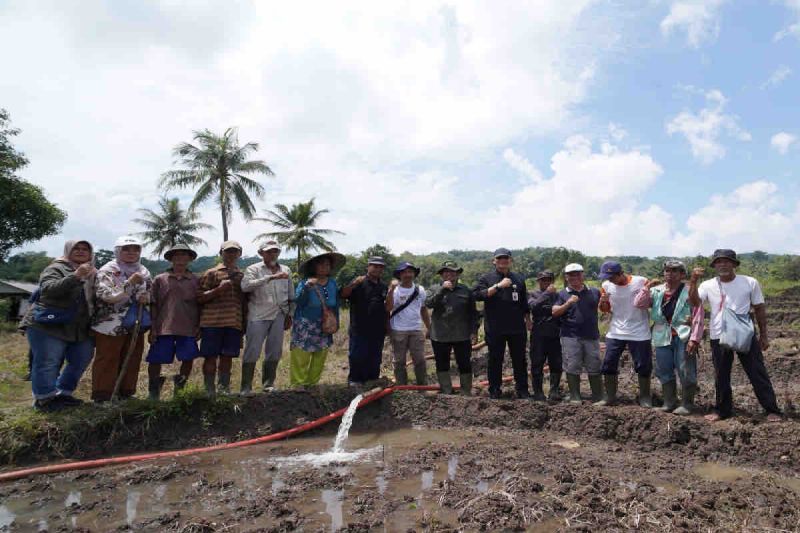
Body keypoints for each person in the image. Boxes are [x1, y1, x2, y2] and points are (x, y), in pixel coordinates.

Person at [688, 249, 782, 422]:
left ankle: (771, 409)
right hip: (718, 335)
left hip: (745, 334)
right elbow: (694, 302)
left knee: (757, 372)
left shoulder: (749, 282)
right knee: (721, 374)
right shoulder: (707, 285)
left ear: (734, 264)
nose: (722, 264)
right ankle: (722, 410)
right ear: (714, 265)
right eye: (718, 262)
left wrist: (763, 335)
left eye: (726, 261)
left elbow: (759, 308)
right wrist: (693, 281)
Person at [26, 240, 96, 411]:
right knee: (48, 362)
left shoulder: (94, 272)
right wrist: (76, 276)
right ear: (68, 251)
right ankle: (45, 399)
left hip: (79, 327)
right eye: (76, 248)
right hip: (49, 325)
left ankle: (63, 393)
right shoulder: (56, 268)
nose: (80, 251)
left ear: (91, 253)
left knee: (82, 358)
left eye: (85, 249)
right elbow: (48, 289)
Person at [634, 260, 704, 414]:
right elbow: (639, 303)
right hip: (662, 335)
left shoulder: (689, 290)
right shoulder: (657, 291)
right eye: (667, 271)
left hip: (683, 336)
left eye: (675, 271)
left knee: (685, 370)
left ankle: (687, 404)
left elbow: (698, 313)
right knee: (663, 369)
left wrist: (695, 338)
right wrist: (647, 287)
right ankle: (669, 402)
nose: (670, 274)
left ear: (682, 274)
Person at [92, 236, 151, 402]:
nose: (132, 252)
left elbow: (150, 290)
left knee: (132, 356)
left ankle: (126, 393)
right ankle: (103, 396)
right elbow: (106, 295)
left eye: (136, 249)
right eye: (126, 249)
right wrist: (129, 283)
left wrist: (146, 297)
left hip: (135, 321)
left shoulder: (144, 270)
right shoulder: (108, 270)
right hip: (110, 323)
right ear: (118, 251)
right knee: (108, 358)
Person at [473, 248, 531, 399]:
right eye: (499, 259)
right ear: (494, 261)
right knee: (495, 359)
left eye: (506, 258)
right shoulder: (486, 278)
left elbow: (524, 302)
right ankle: (494, 390)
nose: (503, 261)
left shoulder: (518, 278)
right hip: (495, 327)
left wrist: (528, 320)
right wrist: (498, 286)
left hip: (517, 327)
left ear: (510, 261)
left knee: (520, 359)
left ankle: (522, 390)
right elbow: (477, 295)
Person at [594, 261, 653, 407]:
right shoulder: (607, 286)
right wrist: (603, 302)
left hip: (639, 331)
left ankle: (645, 397)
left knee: (643, 365)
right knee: (608, 363)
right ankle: (610, 397)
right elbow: (605, 309)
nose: (609, 280)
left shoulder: (641, 281)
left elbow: (651, 301)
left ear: (621, 273)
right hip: (616, 331)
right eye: (607, 277)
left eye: (612, 277)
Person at [145, 244, 200, 400]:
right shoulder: (160, 279)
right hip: (164, 327)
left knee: (188, 358)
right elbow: (154, 304)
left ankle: (180, 390)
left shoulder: (196, 280)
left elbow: (200, 304)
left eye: (184, 255)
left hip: (188, 327)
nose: (180, 258)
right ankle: (153, 392)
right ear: (171, 259)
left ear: (189, 258)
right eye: (177, 255)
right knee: (156, 359)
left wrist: (198, 326)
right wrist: (153, 327)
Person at [241, 240, 294, 394]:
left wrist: (289, 315)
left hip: (279, 314)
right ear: (261, 253)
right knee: (253, 350)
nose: (272, 254)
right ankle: (245, 387)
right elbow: (245, 286)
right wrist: (269, 278)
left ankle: (268, 384)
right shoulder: (254, 269)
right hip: (258, 314)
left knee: (275, 350)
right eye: (268, 251)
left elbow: (290, 294)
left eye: (275, 251)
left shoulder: (286, 269)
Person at [197, 241, 246, 397]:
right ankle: (209, 390)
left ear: (239, 254)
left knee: (227, 358)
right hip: (212, 323)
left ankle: (224, 389)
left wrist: (243, 325)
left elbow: (245, 302)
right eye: (228, 251)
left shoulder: (242, 276)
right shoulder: (211, 273)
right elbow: (199, 298)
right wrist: (218, 290)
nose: (231, 255)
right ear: (221, 253)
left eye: (234, 252)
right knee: (210, 357)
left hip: (234, 323)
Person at [425, 261, 480, 395]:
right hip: (440, 335)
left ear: (457, 274)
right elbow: (429, 304)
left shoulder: (466, 290)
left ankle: (466, 391)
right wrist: (442, 289)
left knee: (464, 363)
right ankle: (446, 391)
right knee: (442, 364)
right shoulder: (433, 289)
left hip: (462, 334)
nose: (449, 274)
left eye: (452, 272)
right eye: (446, 272)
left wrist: (474, 331)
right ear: (442, 275)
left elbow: (473, 313)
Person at [291, 252, 344, 387]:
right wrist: (306, 287)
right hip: (306, 326)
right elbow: (298, 301)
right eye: (320, 264)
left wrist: (336, 322)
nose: (323, 267)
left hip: (325, 326)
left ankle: (312, 385)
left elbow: (335, 305)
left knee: (319, 357)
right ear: (313, 267)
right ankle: (297, 385)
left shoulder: (332, 283)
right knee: (301, 356)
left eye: (327, 264)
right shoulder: (305, 283)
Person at [552, 263, 603, 403]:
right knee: (572, 365)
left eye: (577, 274)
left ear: (583, 275)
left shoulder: (594, 291)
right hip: (570, 336)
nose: (575, 277)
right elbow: (555, 312)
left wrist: (605, 301)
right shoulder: (562, 294)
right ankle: (575, 395)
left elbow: (604, 308)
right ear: (566, 277)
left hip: (591, 335)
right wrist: (568, 303)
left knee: (594, 364)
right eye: (571, 275)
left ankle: (597, 395)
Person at [340, 256, 389, 388]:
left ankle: (372, 380)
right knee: (357, 355)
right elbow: (343, 294)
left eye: (380, 267)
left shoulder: (384, 286)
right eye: (375, 266)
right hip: (359, 328)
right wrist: (353, 284)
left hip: (378, 329)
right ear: (368, 266)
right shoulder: (359, 282)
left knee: (375, 357)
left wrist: (387, 326)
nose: (377, 269)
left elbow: (387, 308)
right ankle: (355, 381)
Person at [386, 261, 431, 385]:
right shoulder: (395, 291)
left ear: (414, 274)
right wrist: (390, 291)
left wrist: (429, 327)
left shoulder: (420, 290)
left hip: (416, 329)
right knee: (399, 361)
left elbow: (423, 309)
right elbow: (388, 308)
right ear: (399, 275)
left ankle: (422, 386)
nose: (407, 274)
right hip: (398, 330)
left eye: (410, 272)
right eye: (404, 272)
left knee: (420, 360)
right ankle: (402, 387)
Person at [528, 270, 563, 402]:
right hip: (538, 334)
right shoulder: (532, 294)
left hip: (555, 334)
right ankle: (538, 392)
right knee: (537, 363)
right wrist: (547, 293)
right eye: (543, 280)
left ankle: (554, 391)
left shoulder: (558, 296)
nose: (546, 282)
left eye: (549, 280)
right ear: (538, 281)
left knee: (556, 363)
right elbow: (533, 307)